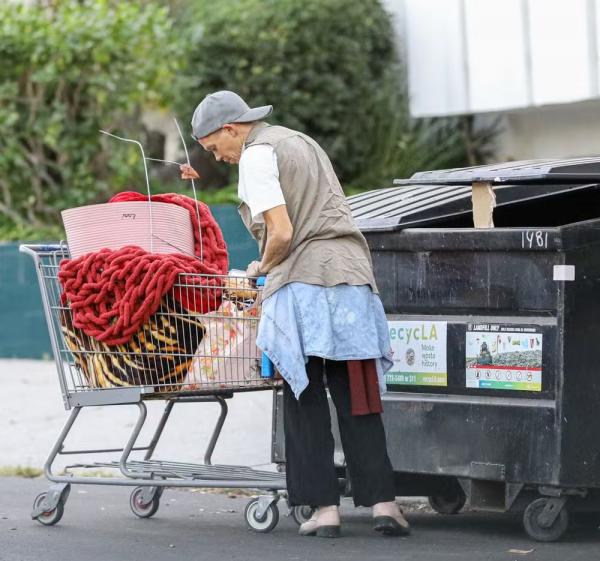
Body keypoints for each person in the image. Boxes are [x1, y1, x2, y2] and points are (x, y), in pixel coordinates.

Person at [181, 90, 410, 538]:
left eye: (214, 147)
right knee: (357, 392)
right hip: (350, 278)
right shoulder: (301, 142)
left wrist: (259, 269)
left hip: (303, 283)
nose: (220, 158)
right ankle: (385, 504)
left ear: (231, 129)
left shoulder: (255, 155)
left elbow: (282, 231)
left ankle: (324, 511)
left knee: (303, 396)